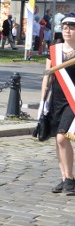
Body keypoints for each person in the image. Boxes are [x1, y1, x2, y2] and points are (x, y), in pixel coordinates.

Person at [42, 14, 75, 194]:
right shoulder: (54, 50)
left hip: (73, 101)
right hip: (56, 100)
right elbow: (48, 76)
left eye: (71, 28)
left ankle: (70, 178)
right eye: (65, 28)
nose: (67, 31)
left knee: (63, 137)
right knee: (58, 139)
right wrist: (42, 102)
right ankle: (64, 178)